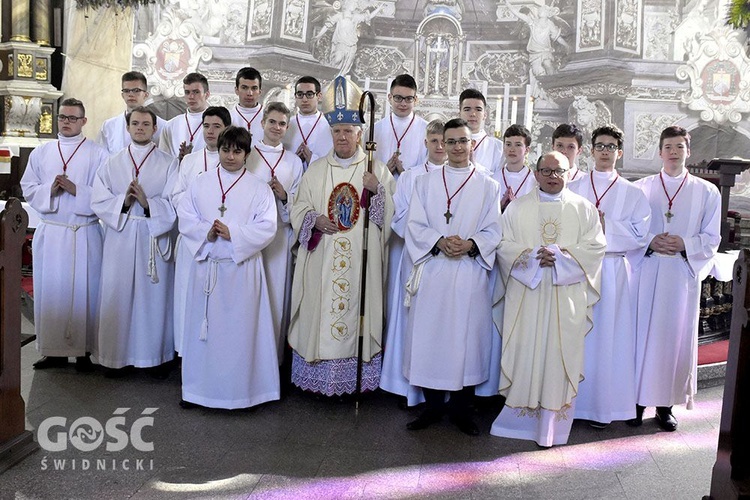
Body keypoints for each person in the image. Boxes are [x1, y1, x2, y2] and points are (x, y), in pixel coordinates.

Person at [287, 76, 396, 397]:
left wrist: (377, 193)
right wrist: (314, 219)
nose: (342, 136)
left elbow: (393, 215)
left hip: (361, 260)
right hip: (322, 257)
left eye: (348, 131)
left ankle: (357, 378)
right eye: (337, 131)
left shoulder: (376, 170)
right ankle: (319, 377)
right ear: (330, 133)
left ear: (360, 134)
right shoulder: (317, 169)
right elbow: (298, 207)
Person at [490, 151, 605, 447]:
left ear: (569, 173)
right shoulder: (516, 208)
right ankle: (519, 420)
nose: (553, 176)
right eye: (547, 171)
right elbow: (502, 245)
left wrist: (560, 257)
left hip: (564, 297)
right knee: (526, 347)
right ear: (536, 173)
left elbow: (595, 247)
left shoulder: (584, 209)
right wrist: (529, 257)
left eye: (559, 171)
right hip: (527, 295)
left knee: (558, 351)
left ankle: (552, 425)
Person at [401, 118, 502, 435]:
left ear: (472, 144)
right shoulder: (425, 183)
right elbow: (414, 225)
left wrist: (472, 244)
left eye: (463, 141)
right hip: (433, 269)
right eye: (451, 141)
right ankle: (431, 408)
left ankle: (462, 410)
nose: (458, 147)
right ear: (441, 144)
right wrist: (438, 241)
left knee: (465, 339)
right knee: (431, 337)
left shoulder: (488, 186)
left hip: (468, 272)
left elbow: (494, 230)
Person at [178, 126, 280, 409]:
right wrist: (206, 233)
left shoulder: (259, 188)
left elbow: (268, 227)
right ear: (218, 150)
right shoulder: (200, 183)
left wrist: (233, 232)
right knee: (204, 335)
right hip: (208, 268)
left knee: (241, 335)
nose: (230, 156)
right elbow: (185, 216)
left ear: (247, 153)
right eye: (226, 150)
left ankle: (244, 393)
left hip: (242, 270)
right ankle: (199, 392)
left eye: (237, 151)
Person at [630, 126, 721, 431]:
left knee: (672, 338)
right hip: (647, 272)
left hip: (681, 276)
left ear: (688, 151)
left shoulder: (707, 191)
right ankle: (636, 403)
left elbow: (712, 237)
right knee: (640, 336)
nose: (673, 152)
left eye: (679, 147)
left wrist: (686, 244)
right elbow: (630, 231)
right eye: (668, 146)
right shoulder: (641, 188)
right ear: (659, 151)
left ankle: (665, 406)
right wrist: (649, 241)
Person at [569, 125, 651, 427]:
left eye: (611, 146)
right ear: (591, 150)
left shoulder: (633, 192)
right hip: (577, 270)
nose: (605, 151)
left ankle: (603, 408)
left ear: (620, 151)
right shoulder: (573, 188)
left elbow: (639, 235)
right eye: (600, 145)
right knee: (578, 337)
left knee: (607, 339)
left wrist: (607, 226)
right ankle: (572, 404)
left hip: (614, 270)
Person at [21, 98, 109, 371]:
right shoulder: (42, 152)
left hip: (84, 234)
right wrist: (50, 189)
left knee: (86, 292)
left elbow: (107, 194)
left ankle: (85, 353)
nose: (67, 122)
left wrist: (76, 190)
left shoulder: (98, 154)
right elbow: (28, 186)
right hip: (53, 233)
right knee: (52, 292)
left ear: (84, 121)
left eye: (73, 118)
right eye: (63, 117)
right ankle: (53, 351)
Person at [92, 106, 179, 378]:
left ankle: (153, 358)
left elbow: (176, 202)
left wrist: (147, 203)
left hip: (152, 236)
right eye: (135, 123)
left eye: (146, 124)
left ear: (155, 129)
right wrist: (124, 202)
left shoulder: (169, 162)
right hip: (121, 235)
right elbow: (98, 200)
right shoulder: (112, 162)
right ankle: (115, 357)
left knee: (152, 299)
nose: (140, 127)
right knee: (117, 295)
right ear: (128, 128)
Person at [380, 119, 446, 406]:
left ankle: (441, 387)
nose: (440, 146)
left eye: (445, 140)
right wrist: (429, 237)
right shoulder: (409, 177)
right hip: (417, 258)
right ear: (426, 142)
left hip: (448, 263)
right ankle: (408, 387)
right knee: (411, 321)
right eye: (434, 141)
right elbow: (397, 218)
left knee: (441, 324)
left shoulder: (465, 177)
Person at [245, 102, 304, 365]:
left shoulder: (293, 161)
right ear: (262, 123)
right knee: (250, 298)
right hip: (251, 238)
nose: (277, 127)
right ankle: (249, 358)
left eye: (282, 124)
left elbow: (300, 201)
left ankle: (273, 363)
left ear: (287, 128)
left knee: (276, 299)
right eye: (272, 122)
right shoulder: (248, 156)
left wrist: (284, 197)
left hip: (280, 238)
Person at [170, 106, 231, 355]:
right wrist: (199, 216)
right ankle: (187, 353)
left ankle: (217, 353)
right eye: (206, 126)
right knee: (189, 298)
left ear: (226, 128)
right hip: (194, 241)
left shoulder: (233, 159)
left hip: (222, 243)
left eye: (216, 126)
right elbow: (176, 195)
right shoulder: (191, 160)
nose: (210, 131)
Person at [97, 71, 166, 155]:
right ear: (122, 95)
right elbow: (101, 157)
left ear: (146, 95)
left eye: (136, 90)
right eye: (126, 91)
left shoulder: (163, 126)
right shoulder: (109, 126)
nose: (131, 94)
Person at [373, 74, 428, 177]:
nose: (403, 103)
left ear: (415, 100)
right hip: (382, 191)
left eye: (408, 99)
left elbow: (430, 169)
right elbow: (367, 167)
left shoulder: (427, 130)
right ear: (390, 98)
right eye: (398, 98)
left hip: (414, 191)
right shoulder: (375, 129)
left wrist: (405, 175)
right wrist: (385, 173)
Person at [283, 76, 333, 170]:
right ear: (295, 97)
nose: (304, 99)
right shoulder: (286, 124)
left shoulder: (329, 125)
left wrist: (311, 159)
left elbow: (333, 159)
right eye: (300, 94)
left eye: (309, 94)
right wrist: (295, 160)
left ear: (319, 96)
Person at [159, 72, 210, 160]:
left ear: (207, 94)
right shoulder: (170, 125)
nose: (191, 96)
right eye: (187, 92)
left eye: (196, 92)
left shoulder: (218, 123)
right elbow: (163, 160)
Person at [459, 88, 504, 175]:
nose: (473, 114)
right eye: (467, 109)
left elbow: (498, 179)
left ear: (485, 115)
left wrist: (474, 165)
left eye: (478, 109)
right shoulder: (448, 142)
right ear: (459, 113)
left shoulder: (497, 147)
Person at [495, 124, 537, 211]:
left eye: (518, 145)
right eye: (508, 144)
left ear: (527, 150)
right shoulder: (494, 178)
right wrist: (500, 205)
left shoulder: (534, 181)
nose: (512, 149)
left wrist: (517, 207)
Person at [230, 67, 265, 142]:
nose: (250, 93)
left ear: (260, 91)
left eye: (254, 88)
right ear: (236, 90)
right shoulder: (229, 117)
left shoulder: (267, 116)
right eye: (244, 88)